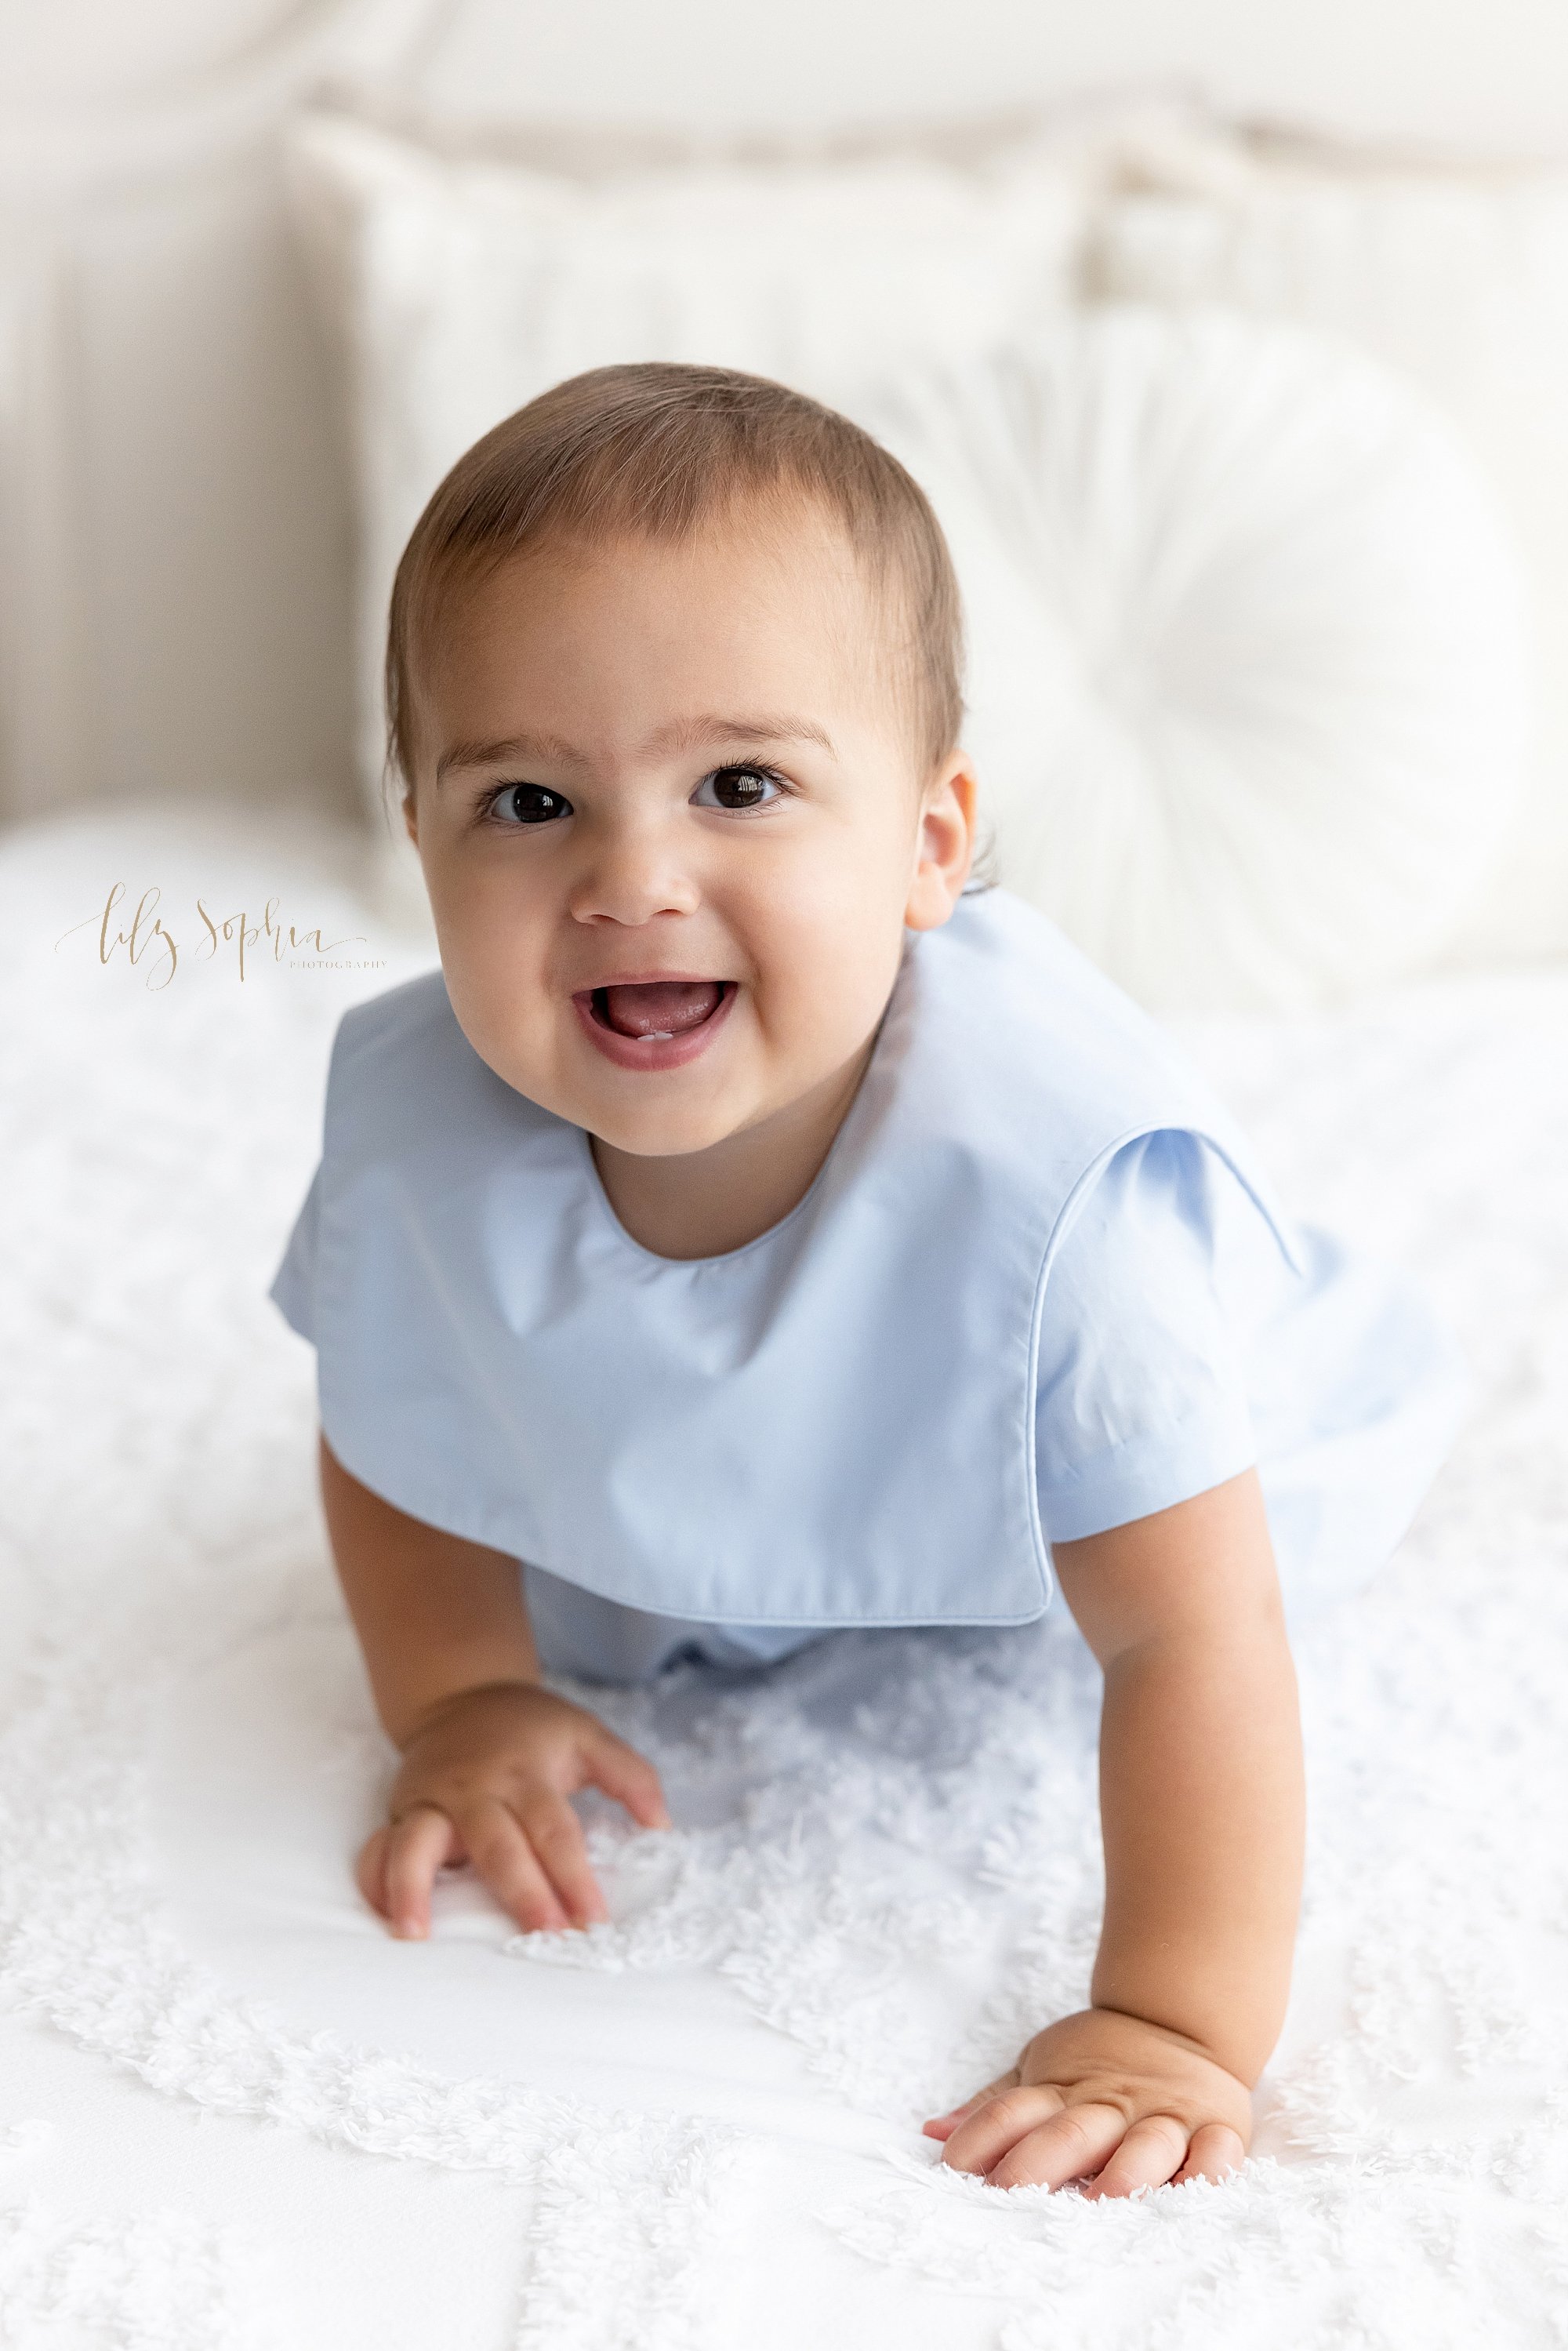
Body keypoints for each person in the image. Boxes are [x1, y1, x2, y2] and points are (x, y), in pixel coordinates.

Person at [268, 362, 1469, 2201]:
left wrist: (1172, 2016)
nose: (629, 874)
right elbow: (393, 1414)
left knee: (1163, 1547)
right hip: (752, 1476)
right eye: (524, 799)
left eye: (740, 783)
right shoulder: (423, 1124)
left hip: (1132, 1490)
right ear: (416, 835)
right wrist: (457, 1696)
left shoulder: (1064, 1201)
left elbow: (1189, 1633)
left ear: (925, 845)